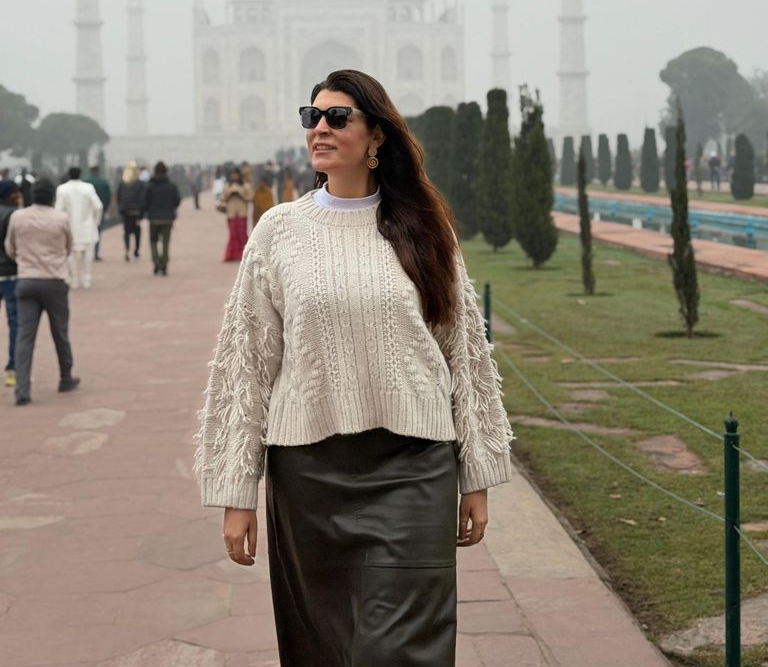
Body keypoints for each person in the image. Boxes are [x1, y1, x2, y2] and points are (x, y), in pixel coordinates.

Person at [195, 69, 515, 667]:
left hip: (412, 468)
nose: (319, 128)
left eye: (337, 117)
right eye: (311, 116)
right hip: (310, 473)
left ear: (376, 137)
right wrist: (237, 488)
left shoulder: (424, 230)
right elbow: (247, 362)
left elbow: (463, 352)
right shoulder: (280, 231)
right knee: (324, 646)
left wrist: (477, 470)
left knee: (400, 650)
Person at [4, 177, 80, 406]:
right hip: (54, 281)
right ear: (52, 196)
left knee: (25, 336)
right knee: (60, 332)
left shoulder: (18, 217)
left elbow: (10, 248)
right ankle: (65, 377)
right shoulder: (61, 218)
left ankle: (22, 389)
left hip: (26, 280)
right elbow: (68, 247)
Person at [55, 167, 103, 289]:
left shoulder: (62, 189)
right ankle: (86, 278)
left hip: (69, 226)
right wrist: (95, 221)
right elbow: (98, 206)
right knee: (88, 253)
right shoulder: (88, 188)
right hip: (87, 226)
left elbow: (58, 209)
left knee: (69, 253)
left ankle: (73, 279)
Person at [0, 181, 23, 387]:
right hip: (9, 274)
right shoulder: (13, 216)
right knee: (15, 322)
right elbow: (16, 246)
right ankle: (13, 368)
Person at [141, 161, 181, 276]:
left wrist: (143, 214)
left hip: (153, 218)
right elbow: (177, 201)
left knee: (153, 241)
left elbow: (145, 202)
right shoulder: (171, 186)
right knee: (165, 241)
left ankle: (156, 261)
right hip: (167, 218)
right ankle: (164, 263)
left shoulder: (150, 186)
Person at [220, 167, 253, 262]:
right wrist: (229, 193)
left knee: (242, 234)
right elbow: (222, 198)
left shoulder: (245, 186)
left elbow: (250, 197)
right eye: (232, 174)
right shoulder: (227, 186)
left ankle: (244, 255)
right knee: (232, 234)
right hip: (231, 213)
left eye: (236, 174)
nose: (234, 176)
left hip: (242, 213)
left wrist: (241, 193)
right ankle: (232, 255)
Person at [117, 162, 145, 261]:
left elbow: (119, 197)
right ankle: (136, 251)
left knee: (127, 232)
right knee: (137, 233)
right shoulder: (140, 183)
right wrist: (142, 214)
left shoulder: (122, 183)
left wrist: (121, 209)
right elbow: (143, 199)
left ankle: (127, 249)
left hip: (126, 212)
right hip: (136, 212)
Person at [84, 164, 112, 261]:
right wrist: (106, 207)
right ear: (98, 171)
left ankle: (86, 252)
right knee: (98, 232)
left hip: (87, 211)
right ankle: (96, 252)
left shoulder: (85, 182)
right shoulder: (104, 182)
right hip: (100, 210)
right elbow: (108, 197)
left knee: (86, 231)